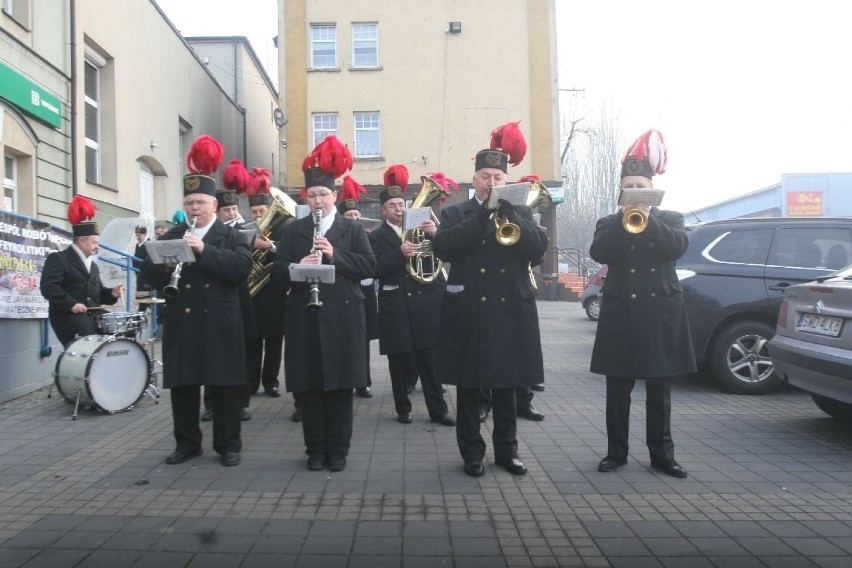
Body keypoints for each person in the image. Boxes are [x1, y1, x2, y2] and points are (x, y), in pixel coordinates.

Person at [432, 122, 547, 477]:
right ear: (475, 179)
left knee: (507, 389)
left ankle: (507, 453)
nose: (492, 182)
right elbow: (445, 247)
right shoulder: (456, 213)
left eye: (498, 176)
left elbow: (538, 251)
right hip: (470, 311)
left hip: (511, 311)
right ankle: (471, 453)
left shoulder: (520, 212)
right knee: (470, 388)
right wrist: (483, 214)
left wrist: (511, 214)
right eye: (485, 176)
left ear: (506, 179)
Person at [590, 129, 696, 479]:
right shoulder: (609, 223)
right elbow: (599, 253)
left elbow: (677, 249)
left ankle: (662, 455)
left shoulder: (671, 220)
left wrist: (647, 219)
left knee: (659, 394)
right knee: (617, 392)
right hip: (621, 314)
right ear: (621, 190)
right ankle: (615, 453)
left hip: (659, 315)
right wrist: (625, 222)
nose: (635, 193)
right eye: (629, 187)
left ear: (652, 189)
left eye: (641, 186)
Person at [142, 134, 252, 467]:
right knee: (184, 386)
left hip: (219, 321)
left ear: (214, 206)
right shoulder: (173, 234)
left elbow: (240, 269)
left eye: (200, 203)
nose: (194, 209)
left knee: (224, 389)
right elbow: (151, 276)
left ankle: (228, 445)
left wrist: (204, 251)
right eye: (190, 203)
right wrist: (163, 262)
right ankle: (187, 443)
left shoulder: (232, 236)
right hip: (184, 321)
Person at [273, 135, 376, 472]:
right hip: (304, 316)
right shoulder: (292, 230)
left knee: (340, 388)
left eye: (324, 195)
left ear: (335, 196)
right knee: (310, 387)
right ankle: (314, 449)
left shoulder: (351, 229)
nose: (318, 200)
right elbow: (276, 274)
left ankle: (339, 450)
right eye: (312, 195)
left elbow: (368, 266)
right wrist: (297, 265)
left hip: (344, 316)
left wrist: (335, 255)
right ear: (306, 198)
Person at [370, 165, 455, 426]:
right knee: (399, 361)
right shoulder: (376, 236)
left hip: (426, 301)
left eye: (401, 203)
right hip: (395, 303)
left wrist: (436, 235)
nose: (398, 209)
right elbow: (373, 268)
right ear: (383, 211)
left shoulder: (421, 225)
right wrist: (399, 253)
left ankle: (437, 410)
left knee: (430, 360)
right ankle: (402, 408)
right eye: (392, 206)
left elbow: (443, 255)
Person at [200, 168, 255, 422]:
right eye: (227, 210)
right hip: (212, 301)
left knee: (240, 352)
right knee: (211, 354)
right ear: (217, 211)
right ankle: (210, 403)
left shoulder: (244, 230)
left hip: (240, 297)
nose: (232, 214)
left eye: (234, 210)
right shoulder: (203, 232)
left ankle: (242, 401)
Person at [40, 195, 124, 347]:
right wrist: (71, 304)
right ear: (81, 241)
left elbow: (95, 293)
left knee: (120, 330)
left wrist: (111, 293)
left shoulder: (93, 266)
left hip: (92, 316)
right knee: (90, 341)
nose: (97, 247)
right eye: (94, 243)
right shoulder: (58, 259)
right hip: (68, 316)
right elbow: (48, 287)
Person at [244, 167, 286, 399]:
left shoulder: (281, 230)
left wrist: (270, 246)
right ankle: (250, 383)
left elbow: (287, 254)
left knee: (273, 342)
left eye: (262, 210)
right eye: (254, 211)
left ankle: (271, 382)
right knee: (252, 342)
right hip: (251, 294)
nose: (258, 215)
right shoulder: (244, 231)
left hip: (272, 293)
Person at [336, 176, 377, 399]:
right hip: (345, 292)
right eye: (349, 216)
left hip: (366, 293)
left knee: (363, 340)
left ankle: (363, 381)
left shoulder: (365, 235)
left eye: (356, 215)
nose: (354, 218)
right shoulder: (337, 236)